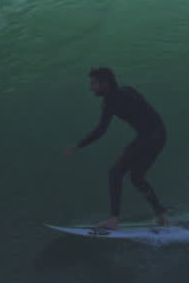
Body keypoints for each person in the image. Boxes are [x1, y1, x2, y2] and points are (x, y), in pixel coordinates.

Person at [64, 67, 170, 229]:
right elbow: (148, 112)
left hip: (148, 137)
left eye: (94, 83)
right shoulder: (127, 90)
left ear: (104, 83)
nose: (91, 87)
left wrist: (78, 145)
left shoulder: (110, 101)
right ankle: (161, 215)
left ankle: (113, 219)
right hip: (159, 134)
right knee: (136, 177)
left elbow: (101, 130)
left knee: (115, 173)